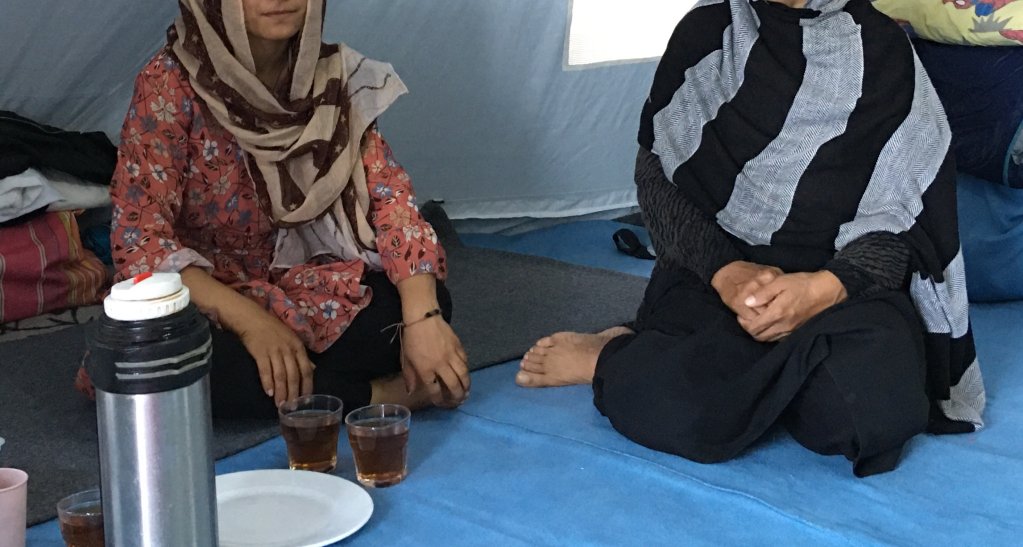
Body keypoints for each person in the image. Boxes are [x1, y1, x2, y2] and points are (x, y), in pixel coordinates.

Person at [516, 0, 986, 477]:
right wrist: (728, 274)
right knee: (676, 409)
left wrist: (823, 289)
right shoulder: (709, 35)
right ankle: (613, 356)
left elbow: (907, 222)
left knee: (871, 415)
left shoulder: (883, 50)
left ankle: (701, 371)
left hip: (843, 290)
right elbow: (656, 181)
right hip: (714, 278)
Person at [76, 0, 470, 418]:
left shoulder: (332, 79)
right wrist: (253, 324)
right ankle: (382, 397)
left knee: (417, 304)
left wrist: (423, 318)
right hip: (209, 298)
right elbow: (140, 242)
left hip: (303, 287)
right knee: (167, 360)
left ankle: (306, 390)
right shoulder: (170, 83)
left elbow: (392, 202)